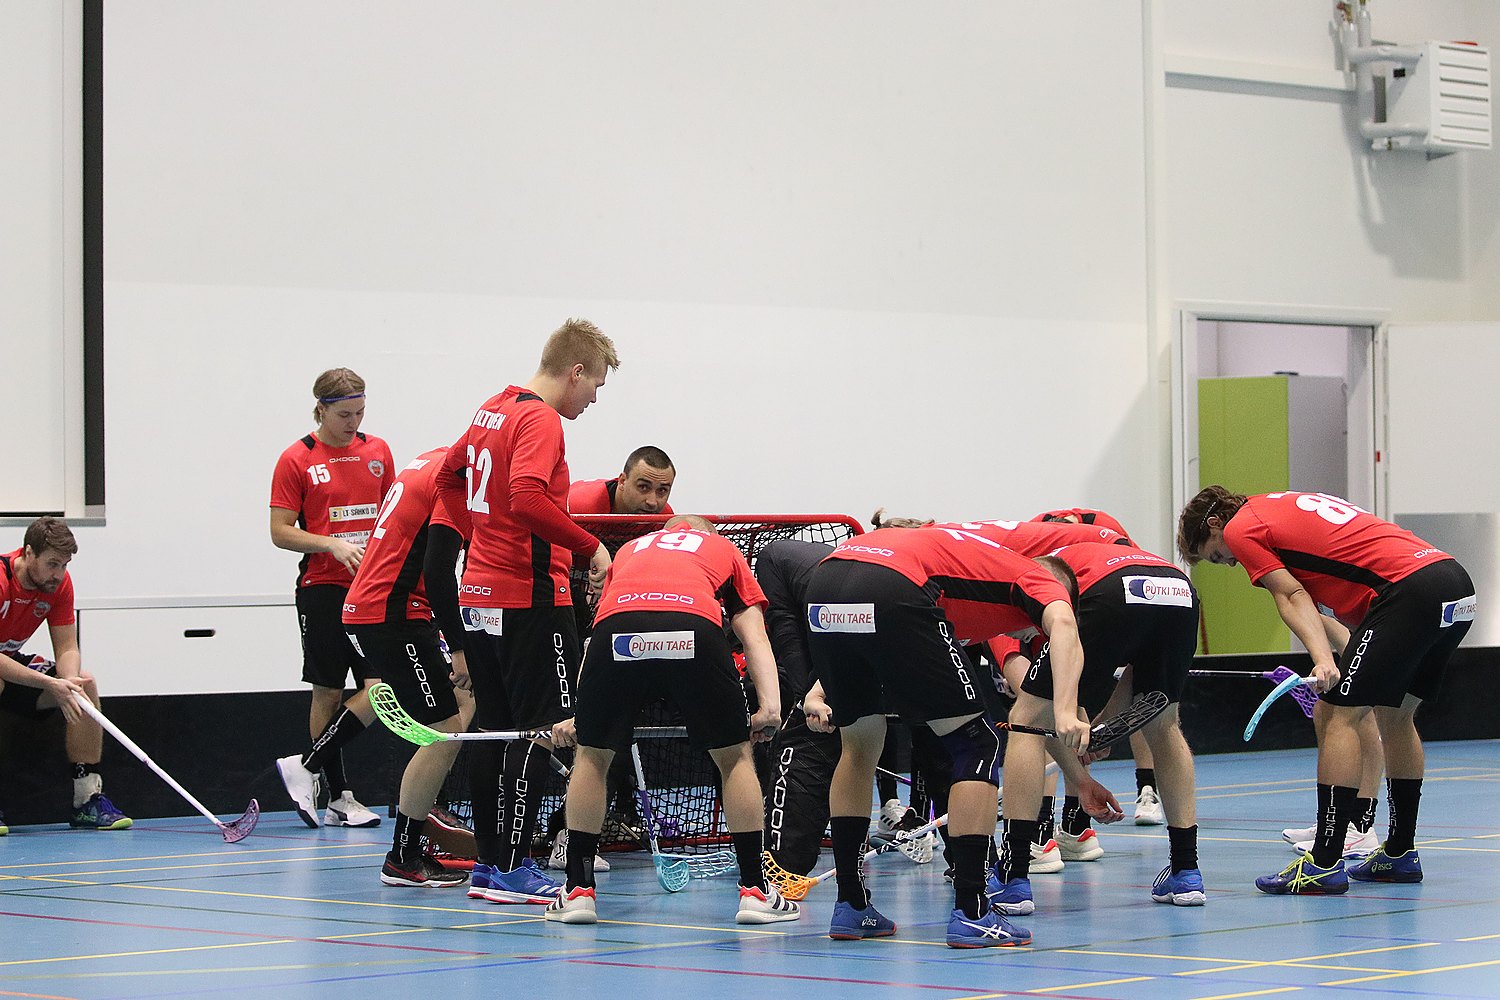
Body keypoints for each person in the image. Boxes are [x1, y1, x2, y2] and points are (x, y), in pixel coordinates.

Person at [801, 523, 1094, 949]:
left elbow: (868, 611)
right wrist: (1066, 710)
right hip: (891, 582)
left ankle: (851, 904)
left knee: (860, 744)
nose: (1035, 636)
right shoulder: (1035, 578)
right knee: (977, 744)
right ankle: (973, 912)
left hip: (827, 581)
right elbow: (1065, 627)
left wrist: (819, 688)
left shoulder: (968, 580)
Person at [1178, 486, 1475, 894]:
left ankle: (1324, 862)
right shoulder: (1277, 509)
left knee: (1338, 714)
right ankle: (1400, 853)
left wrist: (1322, 661)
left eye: (1215, 555)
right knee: (1396, 715)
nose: (1229, 562)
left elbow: (1291, 596)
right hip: (1451, 583)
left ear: (1215, 525)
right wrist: (1335, 657)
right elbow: (1336, 618)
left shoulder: (1241, 529)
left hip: (1409, 591)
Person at [434, 318, 617, 906]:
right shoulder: (540, 419)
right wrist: (591, 547)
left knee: (494, 728)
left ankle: (491, 865)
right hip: (530, 599)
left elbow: (448, 476)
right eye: (596, 386)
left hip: (478, 595)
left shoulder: (491, 408)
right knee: (543, 730)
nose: (594, 400)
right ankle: (514, 867)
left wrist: (478, 539)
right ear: (576, 371)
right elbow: (527, 497)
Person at [546, 515, 797, 925]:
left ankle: (577, 892)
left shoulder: (630, 551)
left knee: (591, 757)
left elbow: (597, 635)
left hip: (620, 633)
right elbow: (753, 633)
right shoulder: (721, 548)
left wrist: (582, 714)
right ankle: (755, 891)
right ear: (705, 535)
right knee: (734, 757)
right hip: (692, 628)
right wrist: (770, 706)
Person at [275, 446, 476, 884]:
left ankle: (312, 766)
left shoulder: (428, 460)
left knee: (447, 707)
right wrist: (460, 648)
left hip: (375, 606)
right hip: (393, 612)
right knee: (444, 733)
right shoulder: (455, 480)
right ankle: (403, 853)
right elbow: (439, 570)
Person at [995, 539, 1204, 909]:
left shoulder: (1024, 581)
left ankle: (1013, 877)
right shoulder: (1080, 549)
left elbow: (1042, 720)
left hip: (1110, 590)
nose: (1021, 636)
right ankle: (1186, 871)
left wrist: (1079, 771)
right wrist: (1103, 729)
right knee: (1164, 724)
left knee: (1024, 719)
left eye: (1019, 632)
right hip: (1178, 590)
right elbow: (1136, 676)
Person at [269, 367, 393, 827]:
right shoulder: (296, 459)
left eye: (360, 413)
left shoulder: (378, 451)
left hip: (371, 591)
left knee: (381, 690)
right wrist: (330, 544)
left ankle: (305, 765)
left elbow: (391, 516)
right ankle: (340, 797)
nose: (353, 423)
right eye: (344, 415)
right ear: (320, 409)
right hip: (322, 590)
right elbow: (280, 531)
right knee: (327, 690)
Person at [1031, 508, 1165, 825]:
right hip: (1081, 613)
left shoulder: (1105, 527)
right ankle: (1065, 825)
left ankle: (1146, 789)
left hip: (1118, 604)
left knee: (1043, 710)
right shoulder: (1035, 535)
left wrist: (1102, 729)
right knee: (1049, 709)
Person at [0, 517, 131, 831]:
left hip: (10, 663)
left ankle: (87, 800)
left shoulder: (57, 585)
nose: (58, 574)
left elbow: (68, 647)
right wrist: (49, 682)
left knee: (85, 685)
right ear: (28, 553)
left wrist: (68, 682)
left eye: (65, 565)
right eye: (52, 564)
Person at [567, 446, 676, 516]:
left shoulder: (665, 517)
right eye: (643, 487)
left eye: (662, 490)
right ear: (622, 481)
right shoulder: (577, 507)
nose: (652, 502)